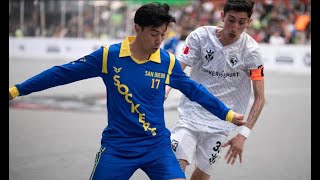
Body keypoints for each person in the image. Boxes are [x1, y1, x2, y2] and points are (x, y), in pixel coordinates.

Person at [8, 3, 246, 180]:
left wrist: (227, 114)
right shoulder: (108, 57)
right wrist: (16, 90)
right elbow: (61, 74)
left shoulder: (167, 62)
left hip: (156, 147)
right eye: (154, 34)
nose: (159, 41)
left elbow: (195, 91)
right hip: (118, 148)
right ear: (137, 29)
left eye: (163, 35)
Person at [166, 0, 265, 179]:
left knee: (202, 176)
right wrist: (165, 90)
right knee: (173, 172)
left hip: (222, 122)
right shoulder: (200, 36)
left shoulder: (252, 52)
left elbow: (260, 98)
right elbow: (178, 68)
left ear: (249, 22)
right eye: (231, 20)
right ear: (222, 16)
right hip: (190, 116)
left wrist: (243, 135)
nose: (235, 27)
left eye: (241, 22)